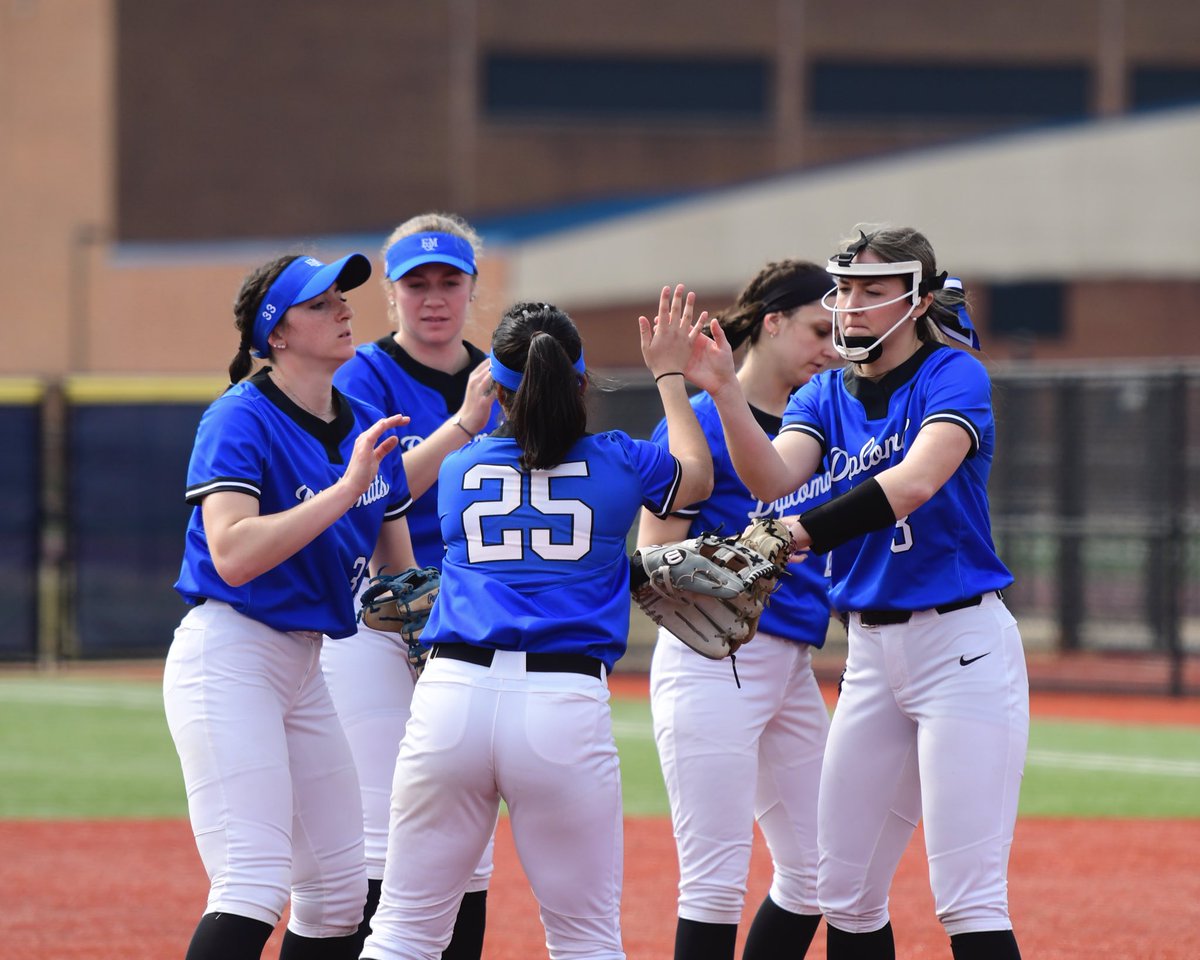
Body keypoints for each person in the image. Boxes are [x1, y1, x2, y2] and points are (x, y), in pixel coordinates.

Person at [685, 225, 1029, 960]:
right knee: (842, 893)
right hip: (871, 656)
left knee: (967, 898)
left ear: (920, 299)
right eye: (844, 290)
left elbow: (913, 482)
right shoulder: (822, 392)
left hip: (960, 646)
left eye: (873, 291)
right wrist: (722, 392)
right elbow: (772, 481)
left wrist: (795, 534)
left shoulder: (952, 374)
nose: (851, 306)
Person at [361, 287, 715, 960]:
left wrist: (469, 417)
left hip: (451, 698)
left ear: (494, 385)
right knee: (583, 940)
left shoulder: (462, 465)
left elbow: (418, 489)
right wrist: (670, 374)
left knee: (404, 933)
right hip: (562, 702)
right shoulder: (621, 459)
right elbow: (695, 479)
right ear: (579, 381)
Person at [164, 252, 417, 960]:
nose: (343, 310)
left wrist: (447, 645)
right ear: (276, 333)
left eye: (343, 297)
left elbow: (402, 579)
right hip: (230, 654)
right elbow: (234, 552)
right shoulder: (239, 416)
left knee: (340, 895)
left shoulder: (367, 423)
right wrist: (346, 487)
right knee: (253, 881)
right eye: (320, 303)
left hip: (309, 666)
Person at [637, 260, 840, 960]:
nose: (831, 348)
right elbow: (653, 551)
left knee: (823, 876)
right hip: (712, 659)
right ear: (772, 321)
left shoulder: (822, 426)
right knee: (714, 886)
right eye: (819, 328)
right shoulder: (696, 420)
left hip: (790, 665)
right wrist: (725, 562)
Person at [321, 213, 501, 957]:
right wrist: (463, 424)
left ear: (471, 288)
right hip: (377, 612)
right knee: (376, 824)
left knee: (468, 832)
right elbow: (376, 491)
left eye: (448, 282)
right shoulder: (362, 373)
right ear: (391, 294)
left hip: (470, 613)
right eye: (415, 283)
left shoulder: (501, 370)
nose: (433, 298)